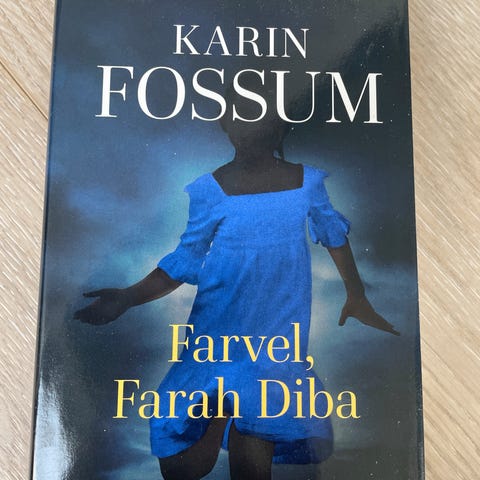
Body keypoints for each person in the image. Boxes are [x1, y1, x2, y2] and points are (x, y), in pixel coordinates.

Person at [75, 76, 398, 480]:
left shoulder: (308, 183)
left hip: (275, 342)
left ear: (280, 124)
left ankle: (231, 413)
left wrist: (356, 294)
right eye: (240, 114)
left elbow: (333, 235)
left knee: (252, 458)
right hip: (215, 332)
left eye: (259, 114)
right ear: (225, 123)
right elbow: (183, 261)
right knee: (179, 467)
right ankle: (220, 415)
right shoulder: (209, 190)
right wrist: (127, 296)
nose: (249, 124)